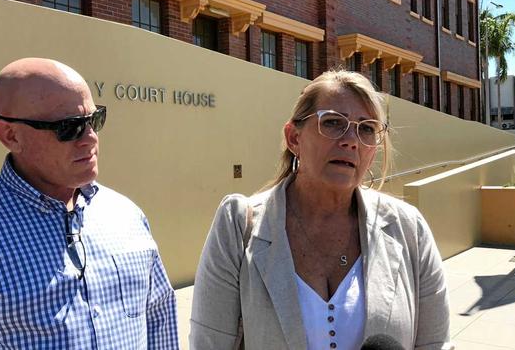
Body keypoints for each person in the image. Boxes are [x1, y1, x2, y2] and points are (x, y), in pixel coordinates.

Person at [0, 58, 179, 349]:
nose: (90, 138)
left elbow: (158, 317)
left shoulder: (126, 216)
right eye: (68, 127)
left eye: (94, 120)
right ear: (10, 135)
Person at [189, 70, 452, 350]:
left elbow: (436, 344)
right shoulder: (237, 226)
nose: (351, 140)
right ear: (294, 138)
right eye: (333, 122)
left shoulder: (409, 229)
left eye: (366, 128)